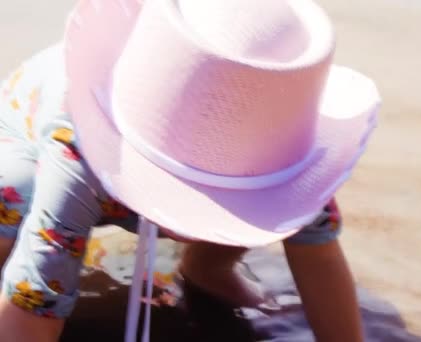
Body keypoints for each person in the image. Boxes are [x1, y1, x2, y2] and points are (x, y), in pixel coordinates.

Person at [0, 0, 380, 341]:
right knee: (17, 197)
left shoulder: (287, 152)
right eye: (193, 196)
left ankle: (207, 269)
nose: (196, 212)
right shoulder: (77, 150)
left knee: (265, 209)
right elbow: (33, 308)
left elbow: (321, 260)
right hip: (36, 142)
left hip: (200, 149)